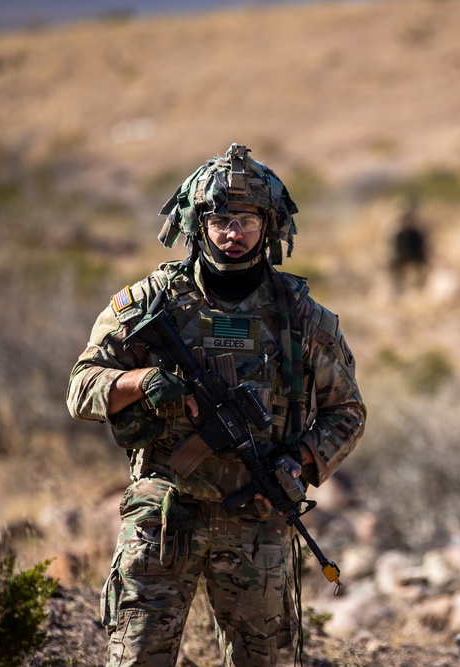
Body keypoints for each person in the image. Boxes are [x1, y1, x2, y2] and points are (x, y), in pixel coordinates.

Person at [66, 143, 366, 667]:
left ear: (269, 227)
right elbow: (81, 386)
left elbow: (347, 412)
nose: (233, 234)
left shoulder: (301, 318)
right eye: (220, 219)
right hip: (163, 518)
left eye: (247, 220)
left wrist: (299, 462)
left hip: (258, 519)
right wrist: (143, 381)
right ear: (196, 223)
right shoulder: (149, 303)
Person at [388, 199, 430, 294]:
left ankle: (421, 287)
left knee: (423, 268)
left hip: (416, 255)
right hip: (400, 256)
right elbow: (390, 247)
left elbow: (424, 245)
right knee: (394, 268)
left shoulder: (418, 230)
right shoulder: (396, 231)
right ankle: (398, 287)